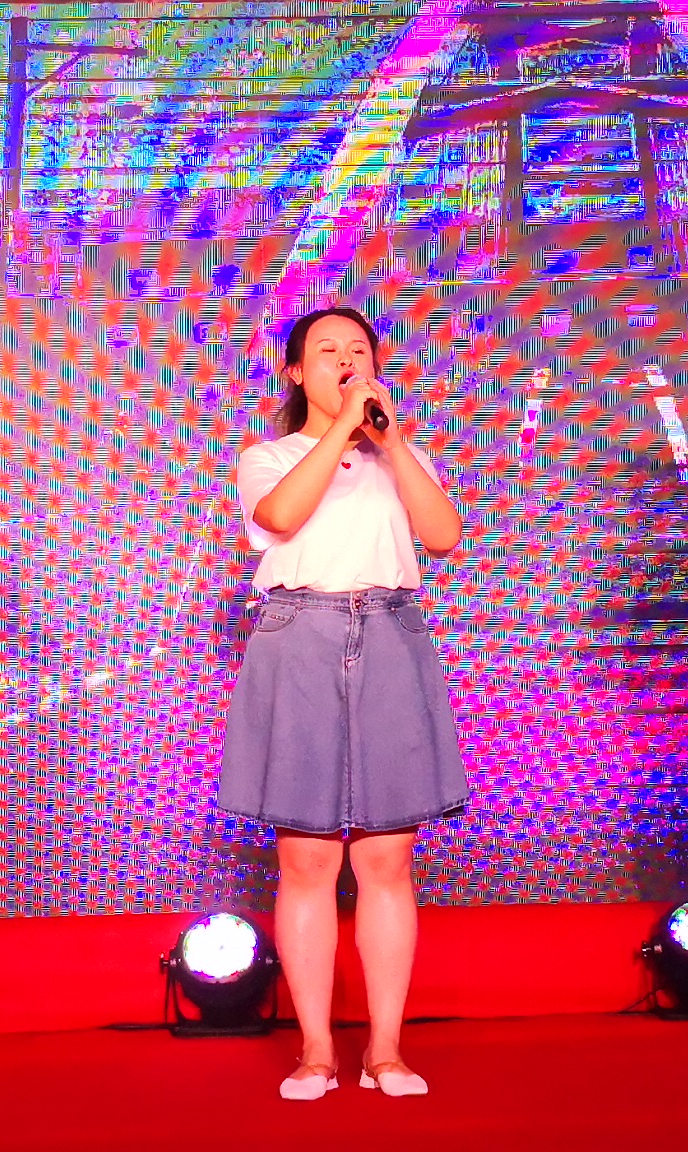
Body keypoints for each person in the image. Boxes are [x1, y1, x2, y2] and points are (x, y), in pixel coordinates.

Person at [218, 306, 466, 1101]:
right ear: (296, 372)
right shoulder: (269, 457)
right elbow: (281, 517)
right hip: (301, 634)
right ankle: (317, 1051)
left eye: (359, 350)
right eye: (327, 351)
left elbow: (444, 535)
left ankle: (385, 1051)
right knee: (308, 859)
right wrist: (339, 428)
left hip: (390, 629)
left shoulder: (402, 454)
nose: (347, 360)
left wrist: (391, 441)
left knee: (388, 858)